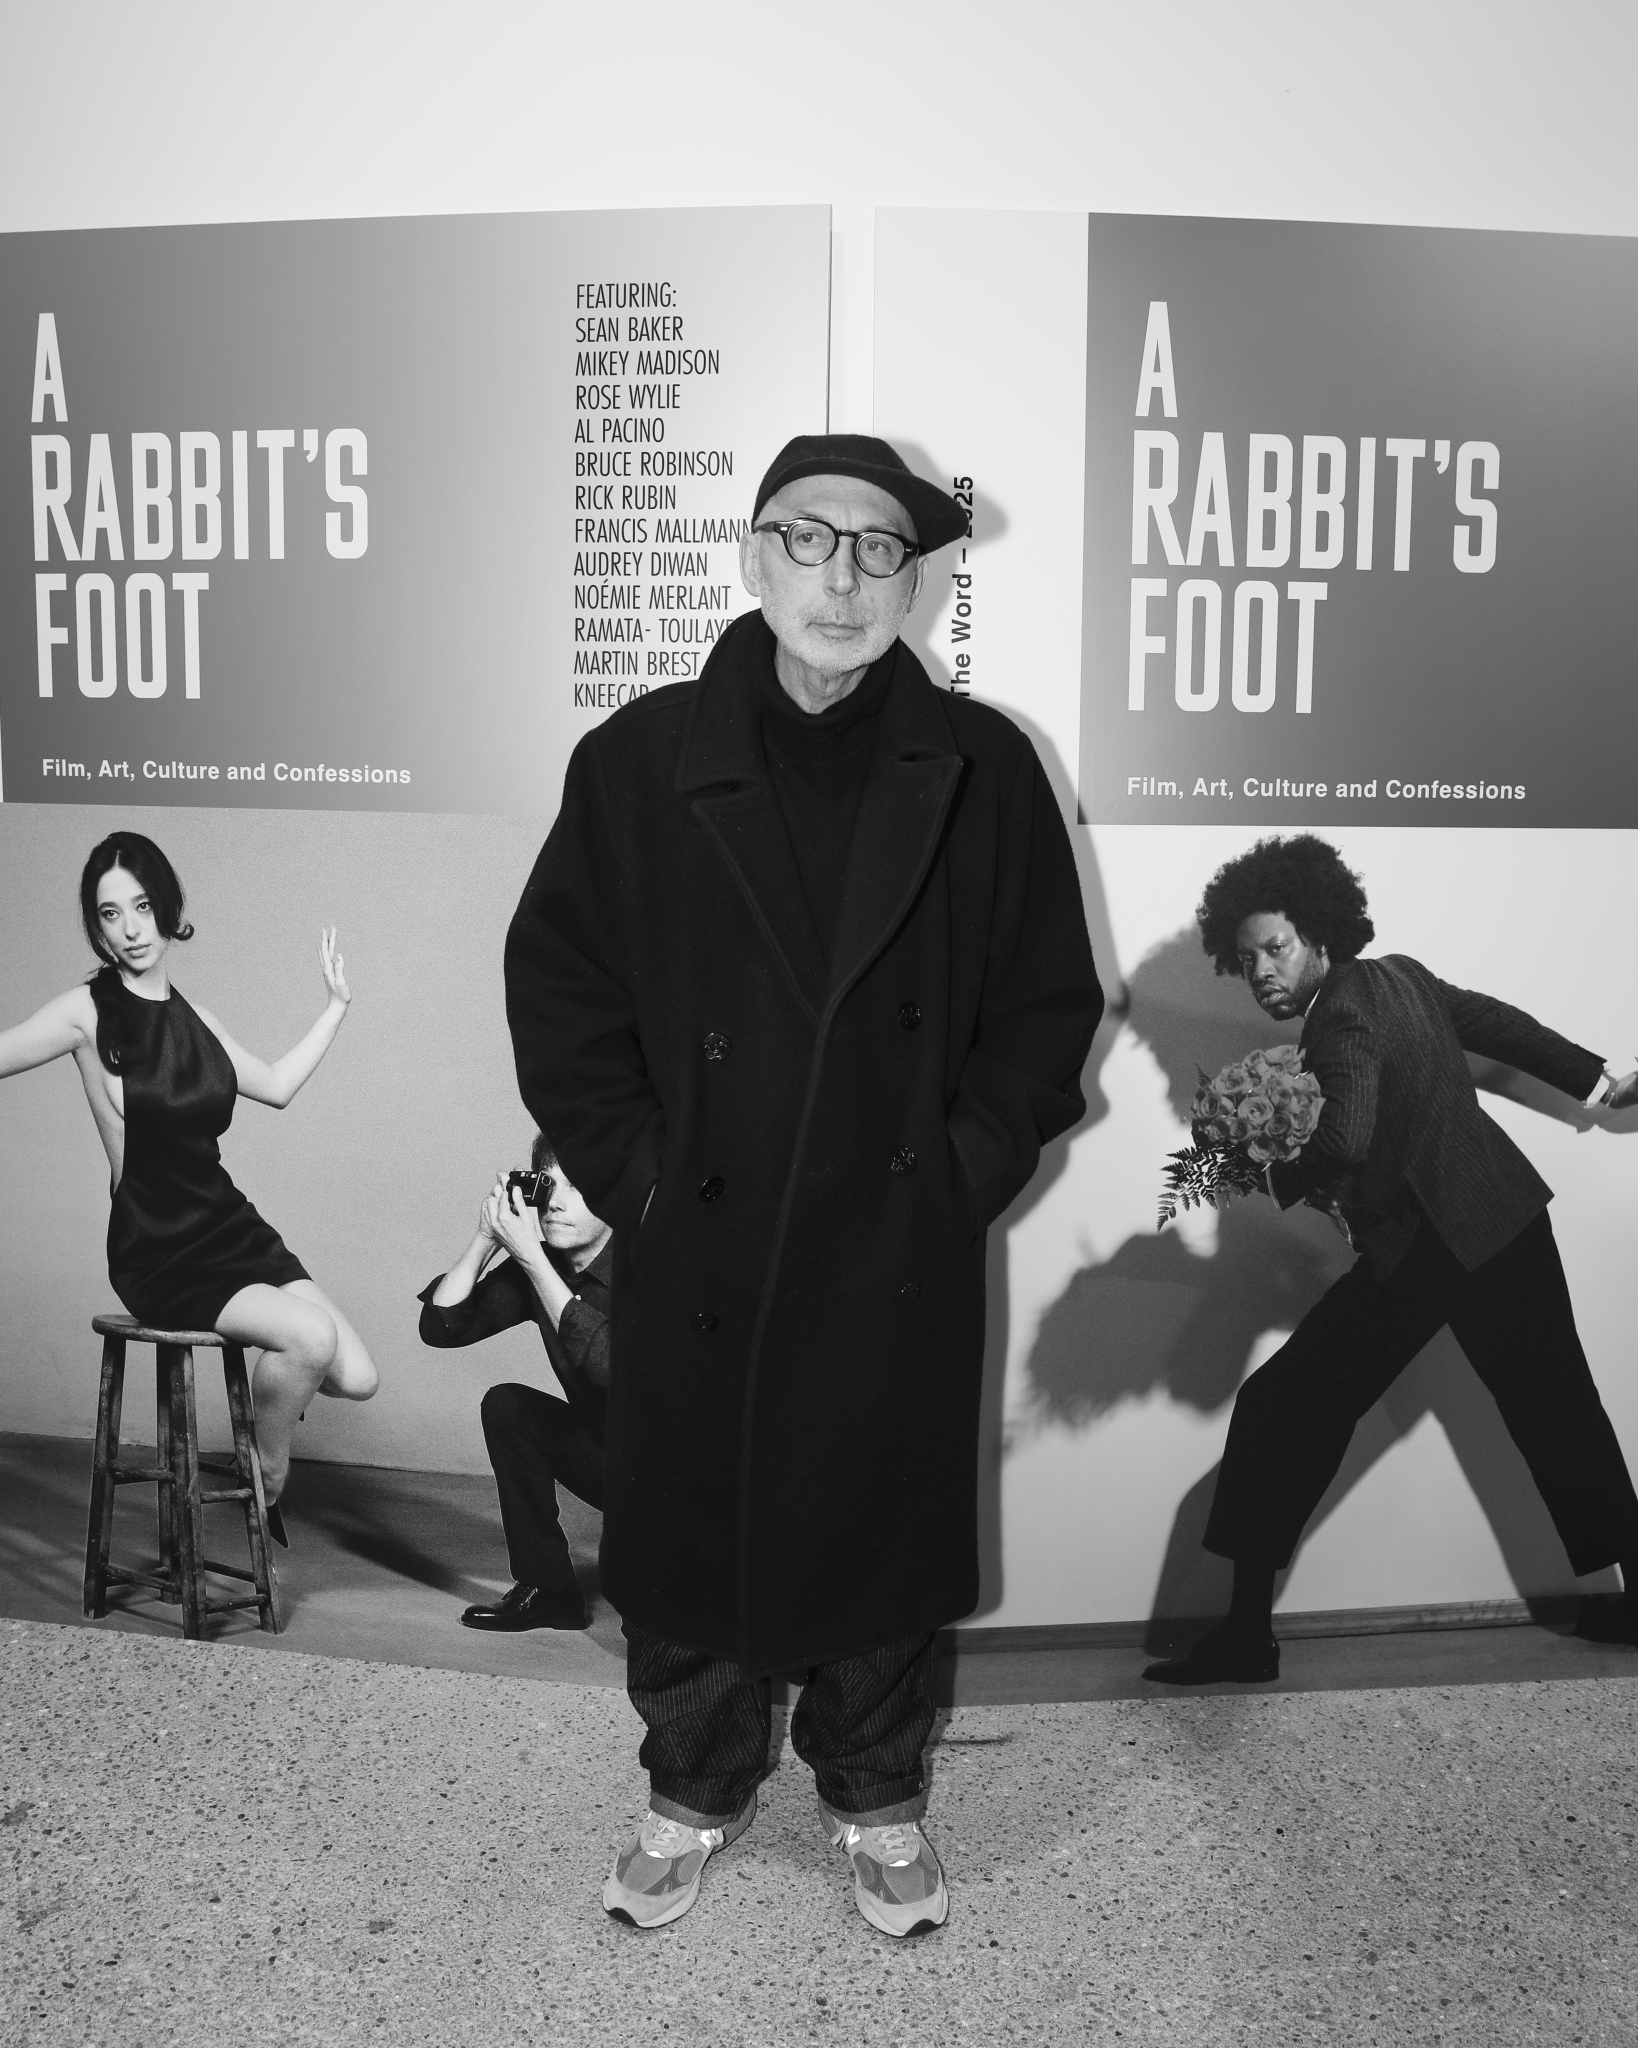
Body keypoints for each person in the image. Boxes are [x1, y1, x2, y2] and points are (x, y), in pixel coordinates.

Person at [505, 431, 1102, 1937]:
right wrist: (642, 1177)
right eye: (810, 539)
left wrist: (954, 1172)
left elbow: (1047, 1010)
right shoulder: (637, 760)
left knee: (879, 1540)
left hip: (893, 1232)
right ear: (754, 555)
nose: (843, 578)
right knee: (688, 1535)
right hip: (699, 1232)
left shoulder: (985, 770)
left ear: (916, 579)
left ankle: (878, 1796)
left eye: (879, 548)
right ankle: (691, 1787)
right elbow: (561, 994)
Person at [1146, 833, 1638, 1686]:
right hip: (1505, 1220)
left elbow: (1345, 1136)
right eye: (1248, 957)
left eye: (1276, 947)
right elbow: (1494, 1021)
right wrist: (1598, 1082)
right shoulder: (1401, 975)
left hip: (1432, 1244)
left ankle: (1246, 1637)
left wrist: (1261, 1171)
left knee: (1280, 1408)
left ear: (1320, 934)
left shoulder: (1338, 1014)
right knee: (1561, 1409)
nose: (1261, 970)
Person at [0, 831, 378, 1541]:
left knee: (357, 1377)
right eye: (110, 913)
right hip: (158, 1247)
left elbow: (277, 1086)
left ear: (167, 908)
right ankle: (266, 1475)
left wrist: (335, 1007)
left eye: (142, 906)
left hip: (229, 1227)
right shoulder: (87, 1011)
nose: (131, 928)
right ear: (97, 928)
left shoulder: (197, 1019)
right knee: (310, 1337)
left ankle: (263, 1438)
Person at [417, 1134, 611, 1632]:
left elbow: (611, 1366)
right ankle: (549, 1590)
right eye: (549, 1184)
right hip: (614, 1460)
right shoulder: (542, 1262)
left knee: (661, 1619)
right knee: (508, 1407)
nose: (557, 1203)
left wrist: (533, 1260)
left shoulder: (653, 1262)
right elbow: (442, 1328)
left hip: (689, 1481)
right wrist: (488, 1238)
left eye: (578, 1186)